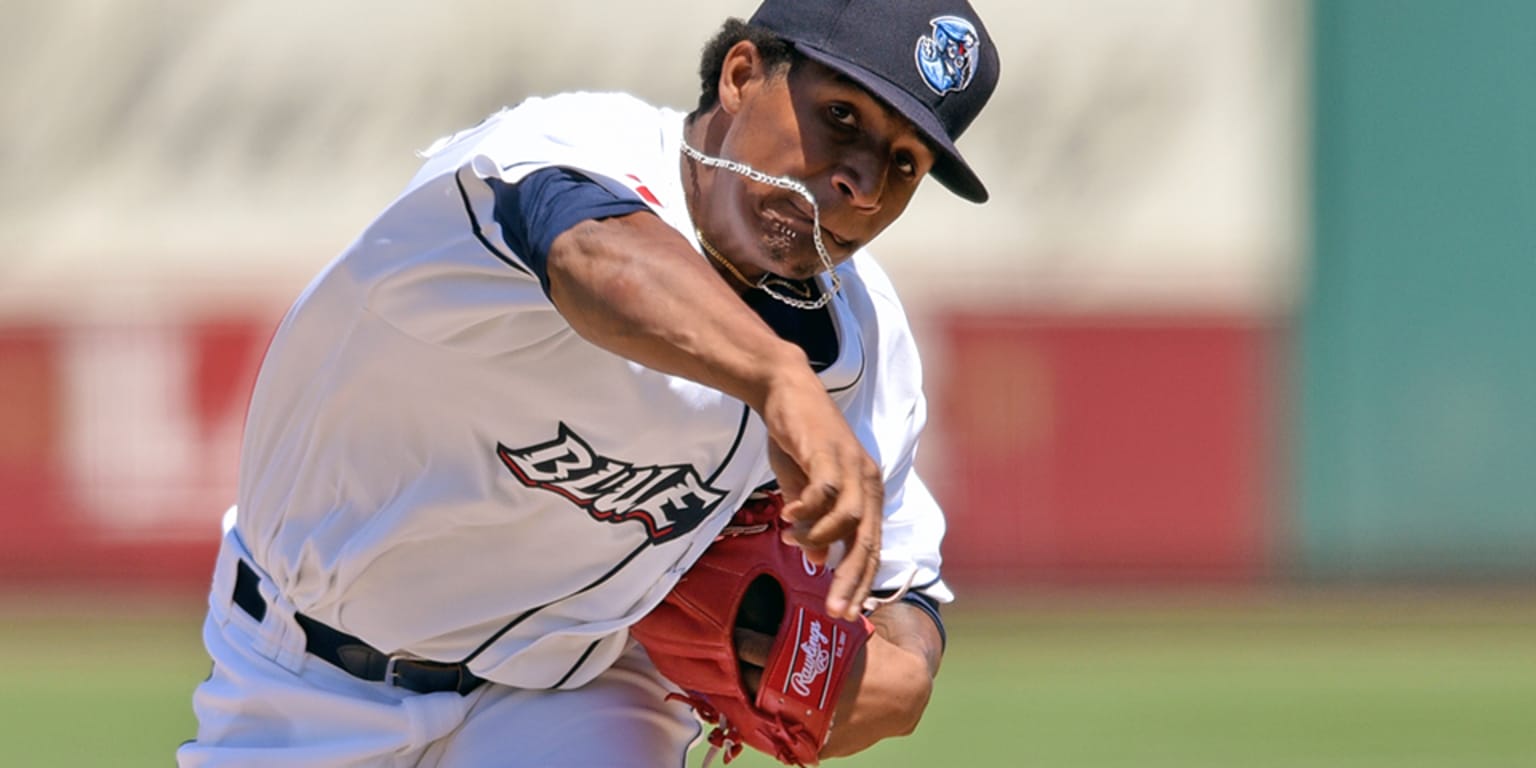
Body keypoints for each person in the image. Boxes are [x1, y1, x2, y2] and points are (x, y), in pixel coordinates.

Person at [177, 0, 999, 765]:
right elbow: (589, 254)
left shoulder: (863, 341)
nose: (859, 181)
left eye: (901, 163)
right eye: (839, 117)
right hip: (300, 673)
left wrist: (898, 670)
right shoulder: (570, 148)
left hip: (581, 691)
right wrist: (777, 378)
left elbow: (904, 598)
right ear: (742, 75)